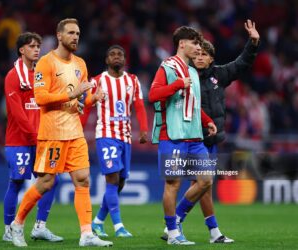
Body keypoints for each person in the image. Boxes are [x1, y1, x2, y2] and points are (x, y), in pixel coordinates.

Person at [9, 18, 113, 247]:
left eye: (78, 33)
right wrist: (72, 94)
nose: (76, 37)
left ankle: (86, 234)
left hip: (75, 131)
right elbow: (41, 98)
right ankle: (17, 224)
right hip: (53, 132)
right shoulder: (46, 63)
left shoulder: (81, 64)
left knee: (83, 180)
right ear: (59, 35)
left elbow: (82, 101)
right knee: (45, 182)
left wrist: (94, 98)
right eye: (71, 33)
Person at [170, 19, 260, 244]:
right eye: (197, 54)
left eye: (204, 55)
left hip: (211, 140)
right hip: (192, 139)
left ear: (211, 58)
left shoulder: (219, 75)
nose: (199, 58)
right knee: (201, 184)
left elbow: (242, 64)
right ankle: (177, 222)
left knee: (204, 186)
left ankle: (211, 231)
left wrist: (253, 42)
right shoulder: (186, 76)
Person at [148, 26, 217, 245]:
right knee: (173, 184)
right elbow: (153, 94)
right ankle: (173, 233)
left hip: (194, 137)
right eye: (195, 43)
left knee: (205, 181)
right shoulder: (167, 67)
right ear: (182, 44)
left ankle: (176, 218)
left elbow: (193, 104)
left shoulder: (194, 72)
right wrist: (178, 84)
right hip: (173, 135)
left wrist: (207, 121)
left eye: (200, 44)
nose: (198, 48)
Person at [80, 45, 148, 237]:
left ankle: (98, 222)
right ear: (106, 60)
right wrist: (79, 129)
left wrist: (143, 129)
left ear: (125, 60)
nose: (116, 57)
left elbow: (140, 106)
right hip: (106, 135)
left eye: (120, 54)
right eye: (112, 54)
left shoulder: (132, 81)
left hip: (125, 137)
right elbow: (86, 108)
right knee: (112, 178)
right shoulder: (97, 81)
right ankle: (119, 227)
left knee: (121, 181)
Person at [3, 32, 62, 243]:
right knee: (17, 182)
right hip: (19, 140)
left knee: (50, 181)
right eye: (32, 46)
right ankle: (9, 229)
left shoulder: (40, 75)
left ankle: (40, 226)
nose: (37, 49)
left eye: (38, 46)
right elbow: (17, 112)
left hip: (42, 139)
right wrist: (34, 135)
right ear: (21, 50)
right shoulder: (12, 76)